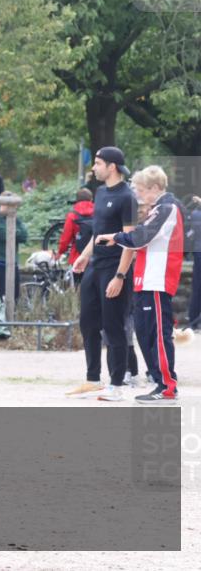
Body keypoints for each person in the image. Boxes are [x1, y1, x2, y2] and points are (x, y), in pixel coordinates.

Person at [97, 165, 184, 404]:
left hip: (157, 280)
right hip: (146, 280)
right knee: (146, 335)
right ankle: (160, 382)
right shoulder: (159, 208)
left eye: (142, 190)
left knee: (157, 336)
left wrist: (114, 237)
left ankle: (167, 385)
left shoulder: (167, 207)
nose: (138, 195)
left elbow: (139, 238)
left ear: (156, 188)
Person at [66, 147, 137, 401]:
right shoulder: (101, 192)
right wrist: (85, 255)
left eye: (97, 163)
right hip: (95, 266)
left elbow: (131, 240)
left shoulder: (127, 197)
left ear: (112, 166)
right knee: (88, 322)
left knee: (113, 327)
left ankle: (116, 385)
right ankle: (92, 379)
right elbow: (98, 231)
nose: (93, 167)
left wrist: (120, 276)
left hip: (115, 267)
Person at [0, 191, 28, 301]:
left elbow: (24, 236)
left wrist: (14, 232)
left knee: (14, 296)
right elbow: (6, 236)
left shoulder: (16, 218)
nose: (14, 208)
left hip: (13, 262)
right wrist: (16, 231)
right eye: (10, 205)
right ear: (2, 204)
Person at [56, 188, 95, 288]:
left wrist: (60, 252)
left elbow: (65, 238)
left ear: (77, 200)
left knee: (78, 289)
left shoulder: (72, 215)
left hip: (77, 258)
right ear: (91, 199)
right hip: (96, 257)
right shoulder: (98, 213)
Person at [187, 196, 201, 330]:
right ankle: (194, 320)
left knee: (197, 288)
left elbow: (189, 235)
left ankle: (193, 321)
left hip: (198, 254)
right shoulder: (196, 214)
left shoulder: (195, 214)